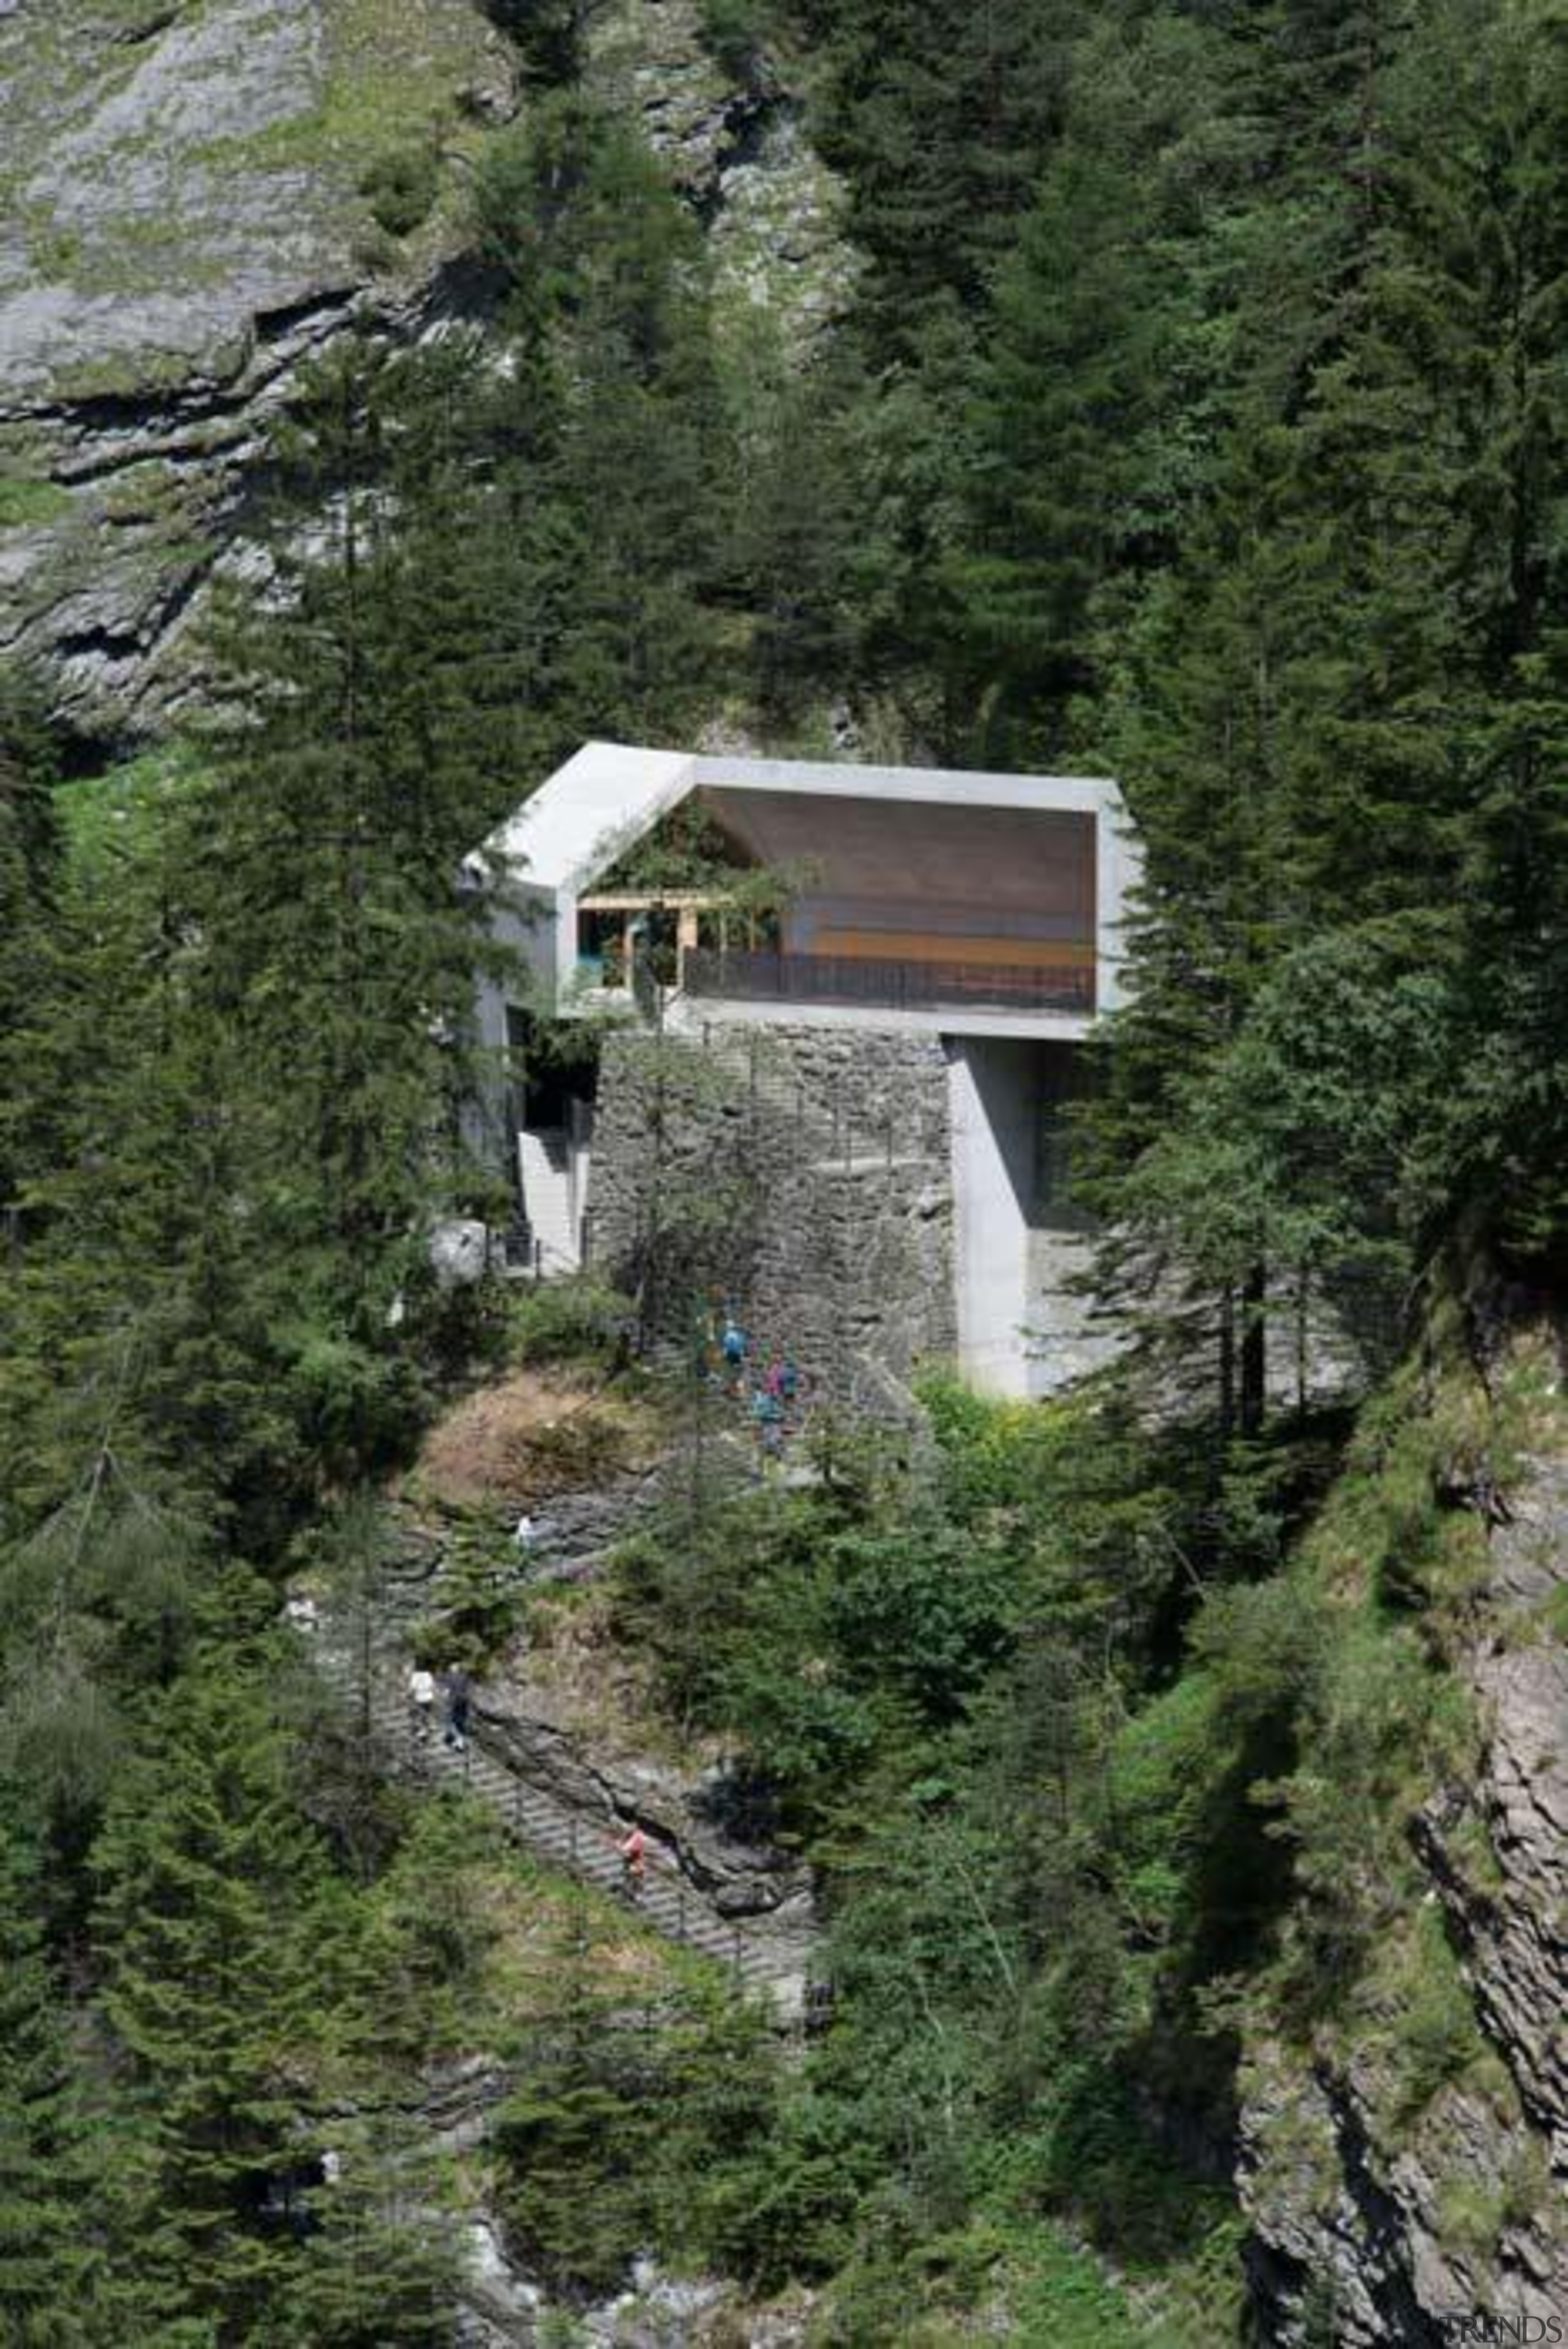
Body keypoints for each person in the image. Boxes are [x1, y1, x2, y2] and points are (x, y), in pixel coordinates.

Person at [443, 1662, 472, 1752]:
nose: (450, 1670)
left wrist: (445, 1698)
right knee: (461, 1722)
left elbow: (447, 1692)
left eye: (451, 1668)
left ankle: (458, 1741)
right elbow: (468, 1689)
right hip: (464, 1702)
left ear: (454, 1669)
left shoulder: (450, 1678)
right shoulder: (464, 1677)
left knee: (451, 1721)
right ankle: (461, 1741)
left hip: (454, 1702)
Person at [407, 1662, 436, 1744]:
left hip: (420, 1698)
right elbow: (432, 1686)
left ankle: (423, 1731)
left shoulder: (415, 1676)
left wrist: (408, 1695)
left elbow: (412, 1688)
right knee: (428, 1712)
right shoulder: (428, 1674)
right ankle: (430, 1725)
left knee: (421, 1714)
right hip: (429, 1697)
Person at [618, 1823, 647, 1896]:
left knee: (635, 1876)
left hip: (636, 1861)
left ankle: (637, 1893)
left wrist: (623, 1847)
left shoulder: (638, 1837)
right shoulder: (629, 1835)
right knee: (629, 1875)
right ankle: (629, 1890)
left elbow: (628, 1848)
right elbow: (622, 1844)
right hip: (631, 1860)